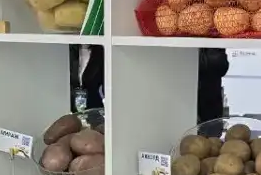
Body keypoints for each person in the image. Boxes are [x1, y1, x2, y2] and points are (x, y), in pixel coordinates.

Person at [69, 45, 229, 122]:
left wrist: (178, 54)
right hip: (166, 107)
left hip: (204, 108)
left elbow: (219, 64)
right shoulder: (90, 50)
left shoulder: (209, 33)